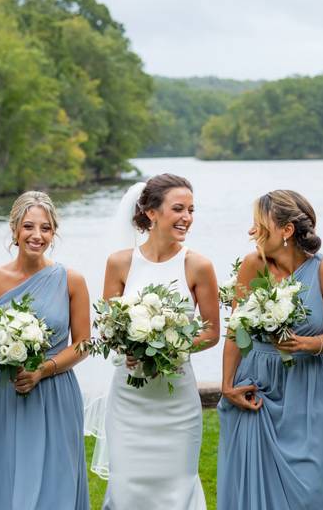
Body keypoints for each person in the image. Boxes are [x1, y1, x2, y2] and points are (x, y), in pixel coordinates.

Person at [217, 190, 323, 510]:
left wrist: (306, 343)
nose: (251, 232)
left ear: (286, 230)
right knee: (253, 488)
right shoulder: (253, 265)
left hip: (305, 387)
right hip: (256, 384)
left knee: (310, 490)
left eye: (258, 225)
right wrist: (227, 385)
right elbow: (237, 329)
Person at [99, 174, 220, 510]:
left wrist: (169, 349)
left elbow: (211, 332)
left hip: (176, 401)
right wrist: (129, 347)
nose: (187, 217)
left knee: (176, 489)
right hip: (129, 399)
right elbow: (108, 329)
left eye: (191, 210)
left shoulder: (198, 265)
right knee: (126, 489)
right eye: (178, 208)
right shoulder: (120, 263)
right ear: (151, 213)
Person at [0, 191, 91, 509]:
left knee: (57, 482)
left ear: (54, 233)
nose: (37, 235)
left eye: (46, 228)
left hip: (56, 392)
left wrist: (43, 369)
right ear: (14, 230)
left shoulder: (72, 280)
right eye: (28, 226)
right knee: (10, 478)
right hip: (9, 394)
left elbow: (83, 344)